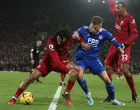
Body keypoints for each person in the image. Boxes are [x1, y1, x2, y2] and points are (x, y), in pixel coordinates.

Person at [8, 29, 82, 105]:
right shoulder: (51, 42)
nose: (60, 41)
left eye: (63, 39)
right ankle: (14, 97)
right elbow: (56, 62)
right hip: (48, 63)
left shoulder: (70, 39)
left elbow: (82, 33)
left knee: (76, 70)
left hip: (62, 61)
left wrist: (81, 41)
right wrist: (68, 71)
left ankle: (66, 93)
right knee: (30, 78)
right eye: (59, 38)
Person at [71, 16, 125, 106]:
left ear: (100, 26)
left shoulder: (105, 33)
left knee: (107, 79)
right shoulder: (85, 29)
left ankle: (113, 100)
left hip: (94, 60)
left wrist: (119, 47)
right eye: (92, 26)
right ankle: (89, 95)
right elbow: (76, 32)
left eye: (95, 28)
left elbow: (114, 40)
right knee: (79, 75)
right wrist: (75, 34)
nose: (92, 29)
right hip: (81, 58)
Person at [104, 0, 138, 103]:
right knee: (107, 67)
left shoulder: (130, 19)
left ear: (124, 8)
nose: (116, 10)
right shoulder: (117, 15)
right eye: (116, 8)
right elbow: (111, 6)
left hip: (124, 47)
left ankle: (134, 93)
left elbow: (135, 34)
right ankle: (110, 95)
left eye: (118, 8)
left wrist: (125, 43)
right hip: (114, 45)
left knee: (125, 70)